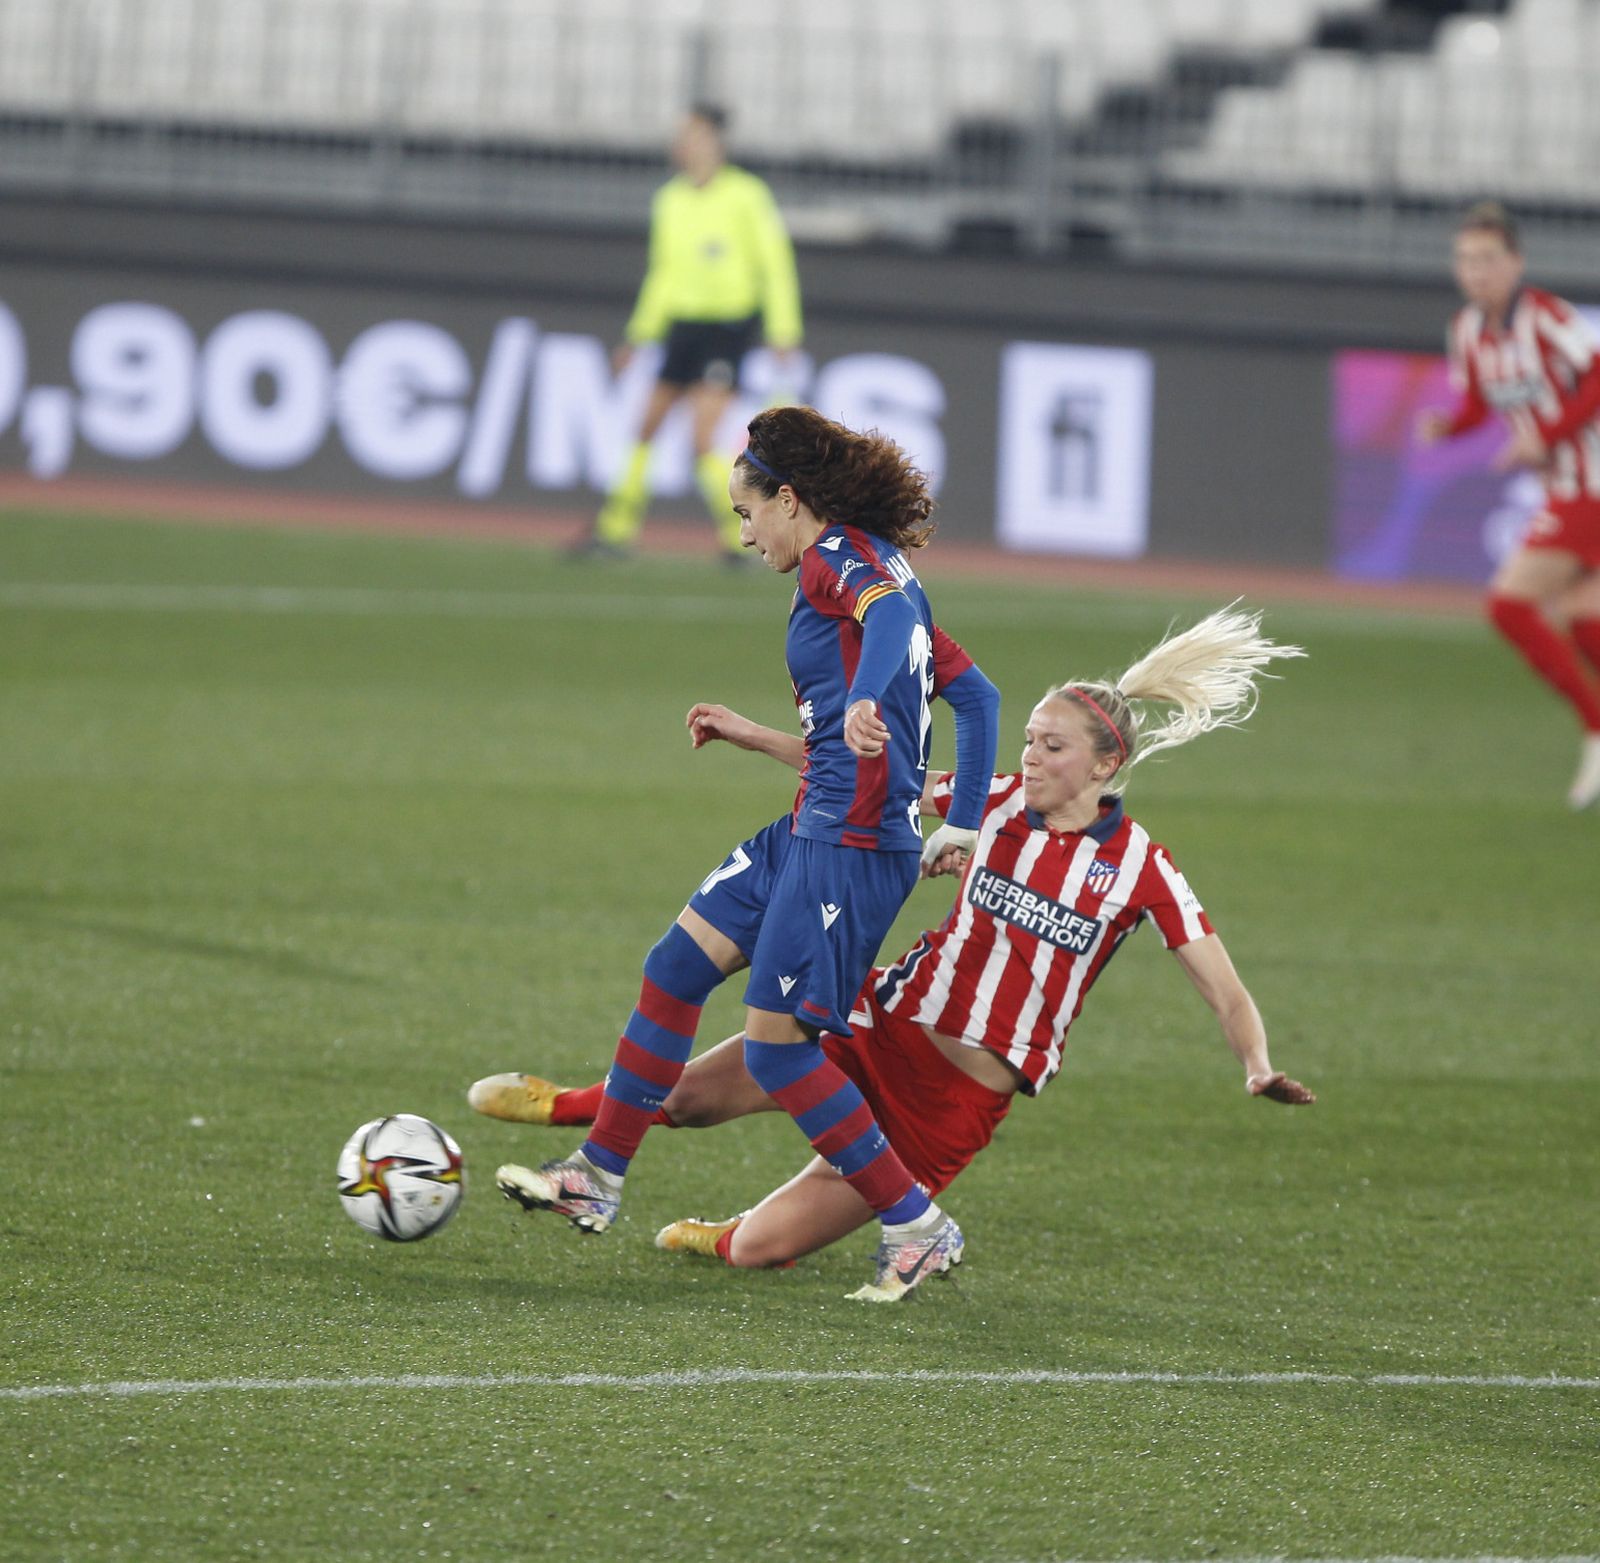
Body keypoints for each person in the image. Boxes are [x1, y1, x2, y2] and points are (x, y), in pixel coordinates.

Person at [473, 606, 1315, 1274]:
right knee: (689, 1100)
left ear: (1103, 767)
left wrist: (1256, 1063)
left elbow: (1225, 988)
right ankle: (572, 1111)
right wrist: (750, 733)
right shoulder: (986, 804)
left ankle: (729, 1228)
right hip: (878, 1021)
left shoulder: (1142, 867)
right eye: (1026, 737)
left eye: (1051, 746)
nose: (1029, 755)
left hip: (952, 1104)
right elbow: (864, 775)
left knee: (761, 1250)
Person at [496, 404, 1002, 1301]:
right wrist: (956, 815)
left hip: (848, 850)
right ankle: (596, 1176)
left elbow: (885, 634)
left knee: (778, 1054)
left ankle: (917, 1223)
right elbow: (980, 697)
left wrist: (871, 700)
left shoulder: (839, 560)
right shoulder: (883, 573)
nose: (742, 531)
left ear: (791, 500)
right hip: (808, 829)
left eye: (745, 511)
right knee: (673, 970)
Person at [1416, 200, 1600, 810]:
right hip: (1566, 485)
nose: (1477, 271)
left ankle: (1597, 728)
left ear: (1516, 262)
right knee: (1582, 618)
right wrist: (1450, 426)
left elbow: (1597, 374)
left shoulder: (1546, 316)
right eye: (1466, 259)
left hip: (1590, 481)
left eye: (1489, 259)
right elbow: (1477, 405)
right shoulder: (1467, 330)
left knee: (1509, 604)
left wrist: (1543, 438)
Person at [579, 103, 804, 565]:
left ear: (715, 141)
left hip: (727, 327)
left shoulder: (746, 196)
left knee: (702, 437)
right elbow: (662, 275)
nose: (683, 143)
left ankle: (738, 535)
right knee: (646, 426)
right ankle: (616, 529)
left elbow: (774, 265)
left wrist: (783, 330)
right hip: (682, 328)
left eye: (693, 134)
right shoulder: (670, 200)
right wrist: (639, 335)